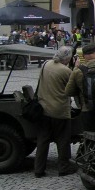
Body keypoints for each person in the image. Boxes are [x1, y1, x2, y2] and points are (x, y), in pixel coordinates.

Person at [34, 46, 77, 178]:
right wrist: (75, 68)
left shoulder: (46, 64)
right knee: (63, 140)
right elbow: (73, 88)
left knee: (43, 140)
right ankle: (63, 167)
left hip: (43, 108)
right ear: (68, 58)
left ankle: (38, 169)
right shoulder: (66, 71)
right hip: (59, 110)